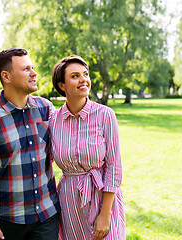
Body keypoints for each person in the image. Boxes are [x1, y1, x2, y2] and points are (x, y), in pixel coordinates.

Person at [0, 48, 60, 240]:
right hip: (8, 222)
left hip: (47, 216)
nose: (34, 73)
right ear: (6, 76)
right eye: (26, 69)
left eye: (32, 68)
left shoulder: (46, 109)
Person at [49, 55, 126, 240]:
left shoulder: (105, 115)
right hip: (69, 201)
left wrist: (105, 214)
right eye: (75, 76)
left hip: (103, 198)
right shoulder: (53, 120)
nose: (84, 79)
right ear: (62, 85)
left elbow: (114, 167)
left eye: (85, 74)